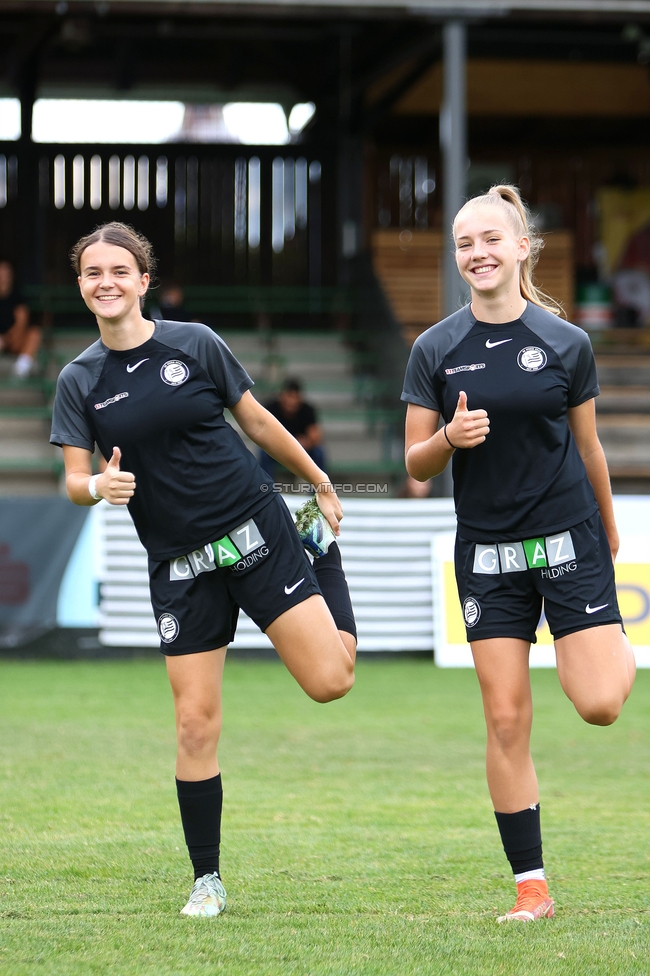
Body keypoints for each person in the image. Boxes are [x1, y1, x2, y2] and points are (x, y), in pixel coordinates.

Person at [50, 222, 356, 918]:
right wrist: (99, 487)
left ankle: (323, 554)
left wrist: (318, 482)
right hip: (180, 568)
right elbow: (73, 479)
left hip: (257, 533)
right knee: (194, 725)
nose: (107, 282)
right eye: (93, 272)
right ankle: (207, 880)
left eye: (120, 271)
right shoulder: (79, 381)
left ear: (143, 280)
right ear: (81, 286)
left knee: (331, 682)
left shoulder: (195, 344)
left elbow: (259, 424)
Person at [401, 185, 635, 923]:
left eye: (491, 240)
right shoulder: (434, 349)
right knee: (506, 722)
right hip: (488, 557)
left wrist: (610, 524)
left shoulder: (568, 343)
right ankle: (531, 888)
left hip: (571, 539)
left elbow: (589, 446)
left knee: (599, 704)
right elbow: (413, 463)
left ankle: (612, 647)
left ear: (522, 247)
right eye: (465, 243)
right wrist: (447, 440)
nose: (478, 253)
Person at [259, 379, 326, 481]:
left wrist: (305, 442)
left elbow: (315, 437)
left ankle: (318, 492)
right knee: (263, 453)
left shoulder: (307, 410)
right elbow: (264, 435)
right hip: (277, 450)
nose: (291, 401)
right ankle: (267, 489)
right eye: (289, 396)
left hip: (301, 450)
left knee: (318, 453)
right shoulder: (272, 408)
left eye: (294, 397)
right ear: (281, 395)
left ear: (300, 397)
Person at [0, 258, 42, 378]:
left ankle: (21, 369)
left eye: (5, 273)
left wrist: (7, 339)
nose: (3, 276)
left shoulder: (17, 296)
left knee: (34, 334)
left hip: (12, 339)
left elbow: (21, 321)